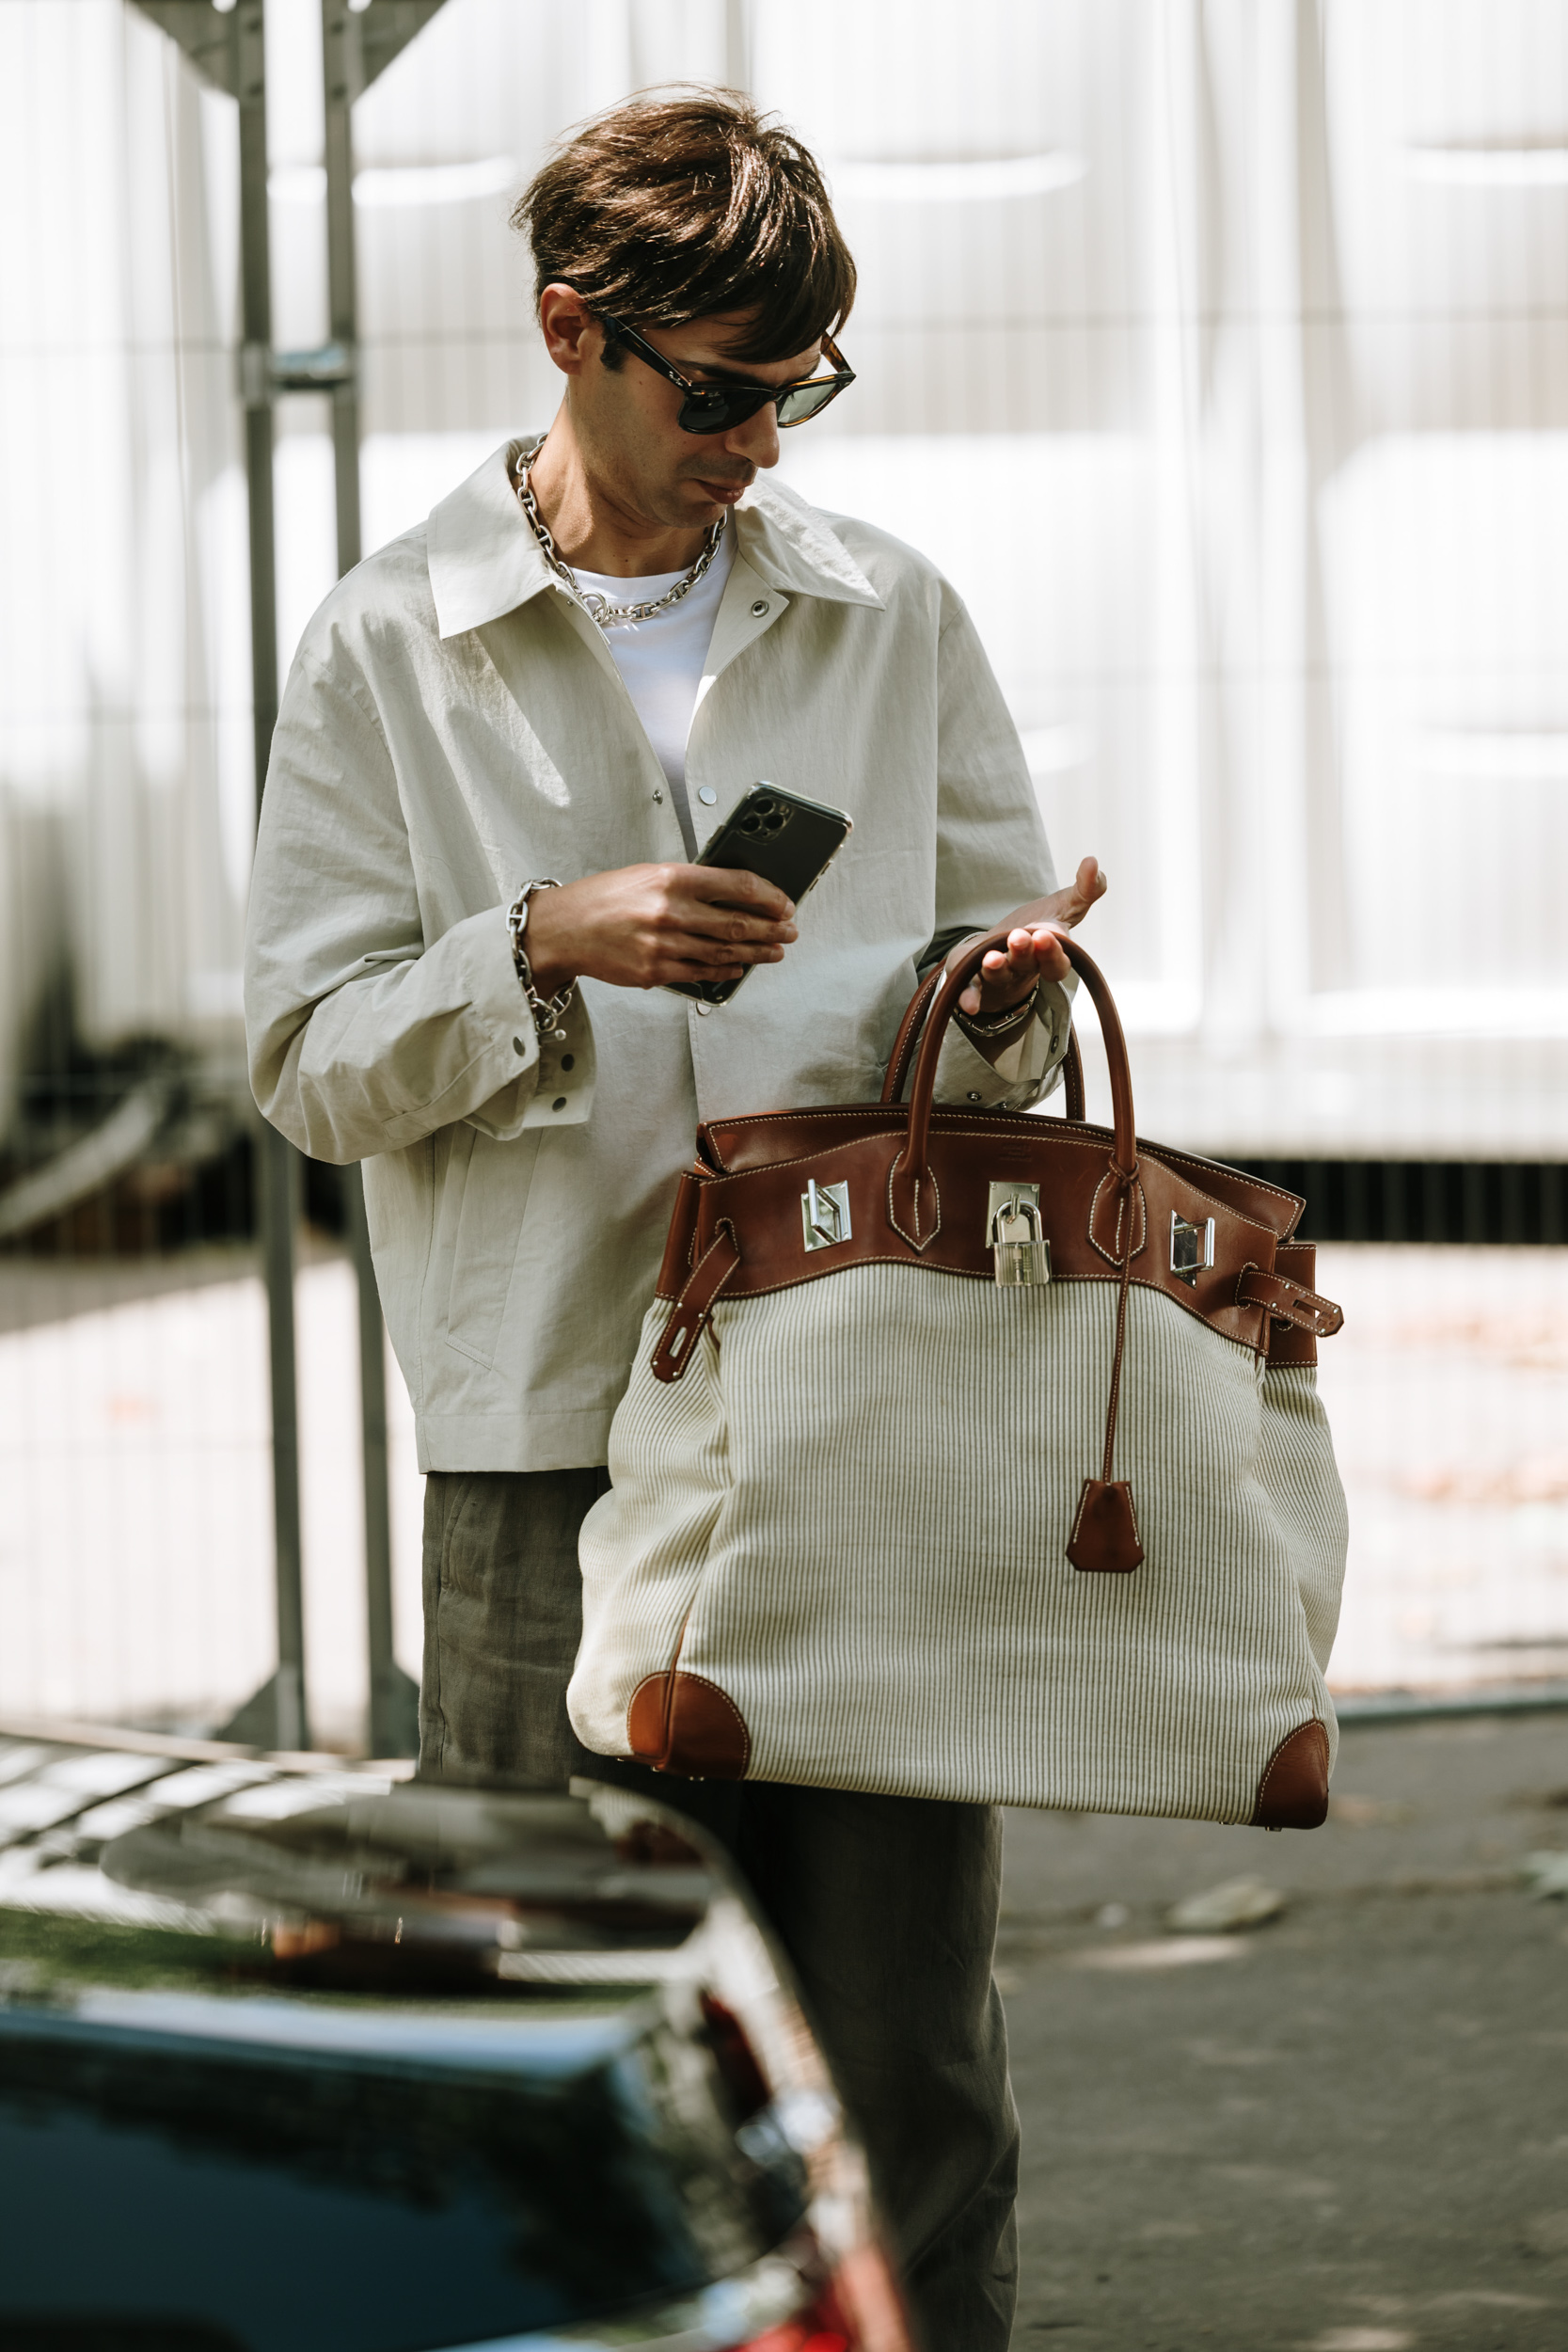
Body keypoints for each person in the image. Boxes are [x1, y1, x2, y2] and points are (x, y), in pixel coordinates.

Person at [245, 87, 1105, 2351]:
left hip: (862, 1408)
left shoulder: (888, 609)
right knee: (570, 2047)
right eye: (725, 391)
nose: (765, 443)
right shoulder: (386, 644)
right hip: (554, 1434)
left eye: (803, 385)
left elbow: (980, 977)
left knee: (907, 2058)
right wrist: (540, 942)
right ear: (573, 331)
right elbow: (305, 1056)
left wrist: (991, 1003)